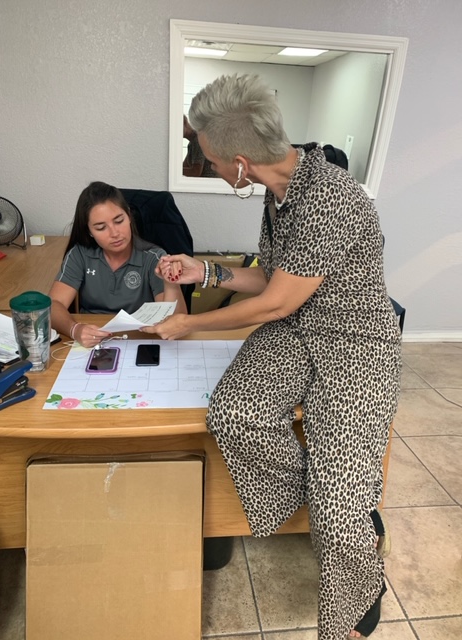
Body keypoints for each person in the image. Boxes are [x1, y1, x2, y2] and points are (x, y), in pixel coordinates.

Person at [144, 74, 401, 640]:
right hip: (295, 327)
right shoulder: (279, 191)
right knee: (233, 414)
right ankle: (321, 496)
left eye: (211, 160)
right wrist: (204, 271)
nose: (209, 167)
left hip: (355, 341)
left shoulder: (331, 196)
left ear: (240, 163)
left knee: (340, 512)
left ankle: (356, 575)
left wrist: (189, 322)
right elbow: (273, 279)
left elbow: (274, 302)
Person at [49, 181, 187, 349]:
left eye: (119, 221)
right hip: (93, 340)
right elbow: (53, 305)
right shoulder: (80, 254)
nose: (114, 233)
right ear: (89, 232)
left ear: (129, 216)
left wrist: (172, 283)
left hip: (140, 338)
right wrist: (75, 329)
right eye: (101, 228)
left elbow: (175, 323)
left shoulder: (154, 257)